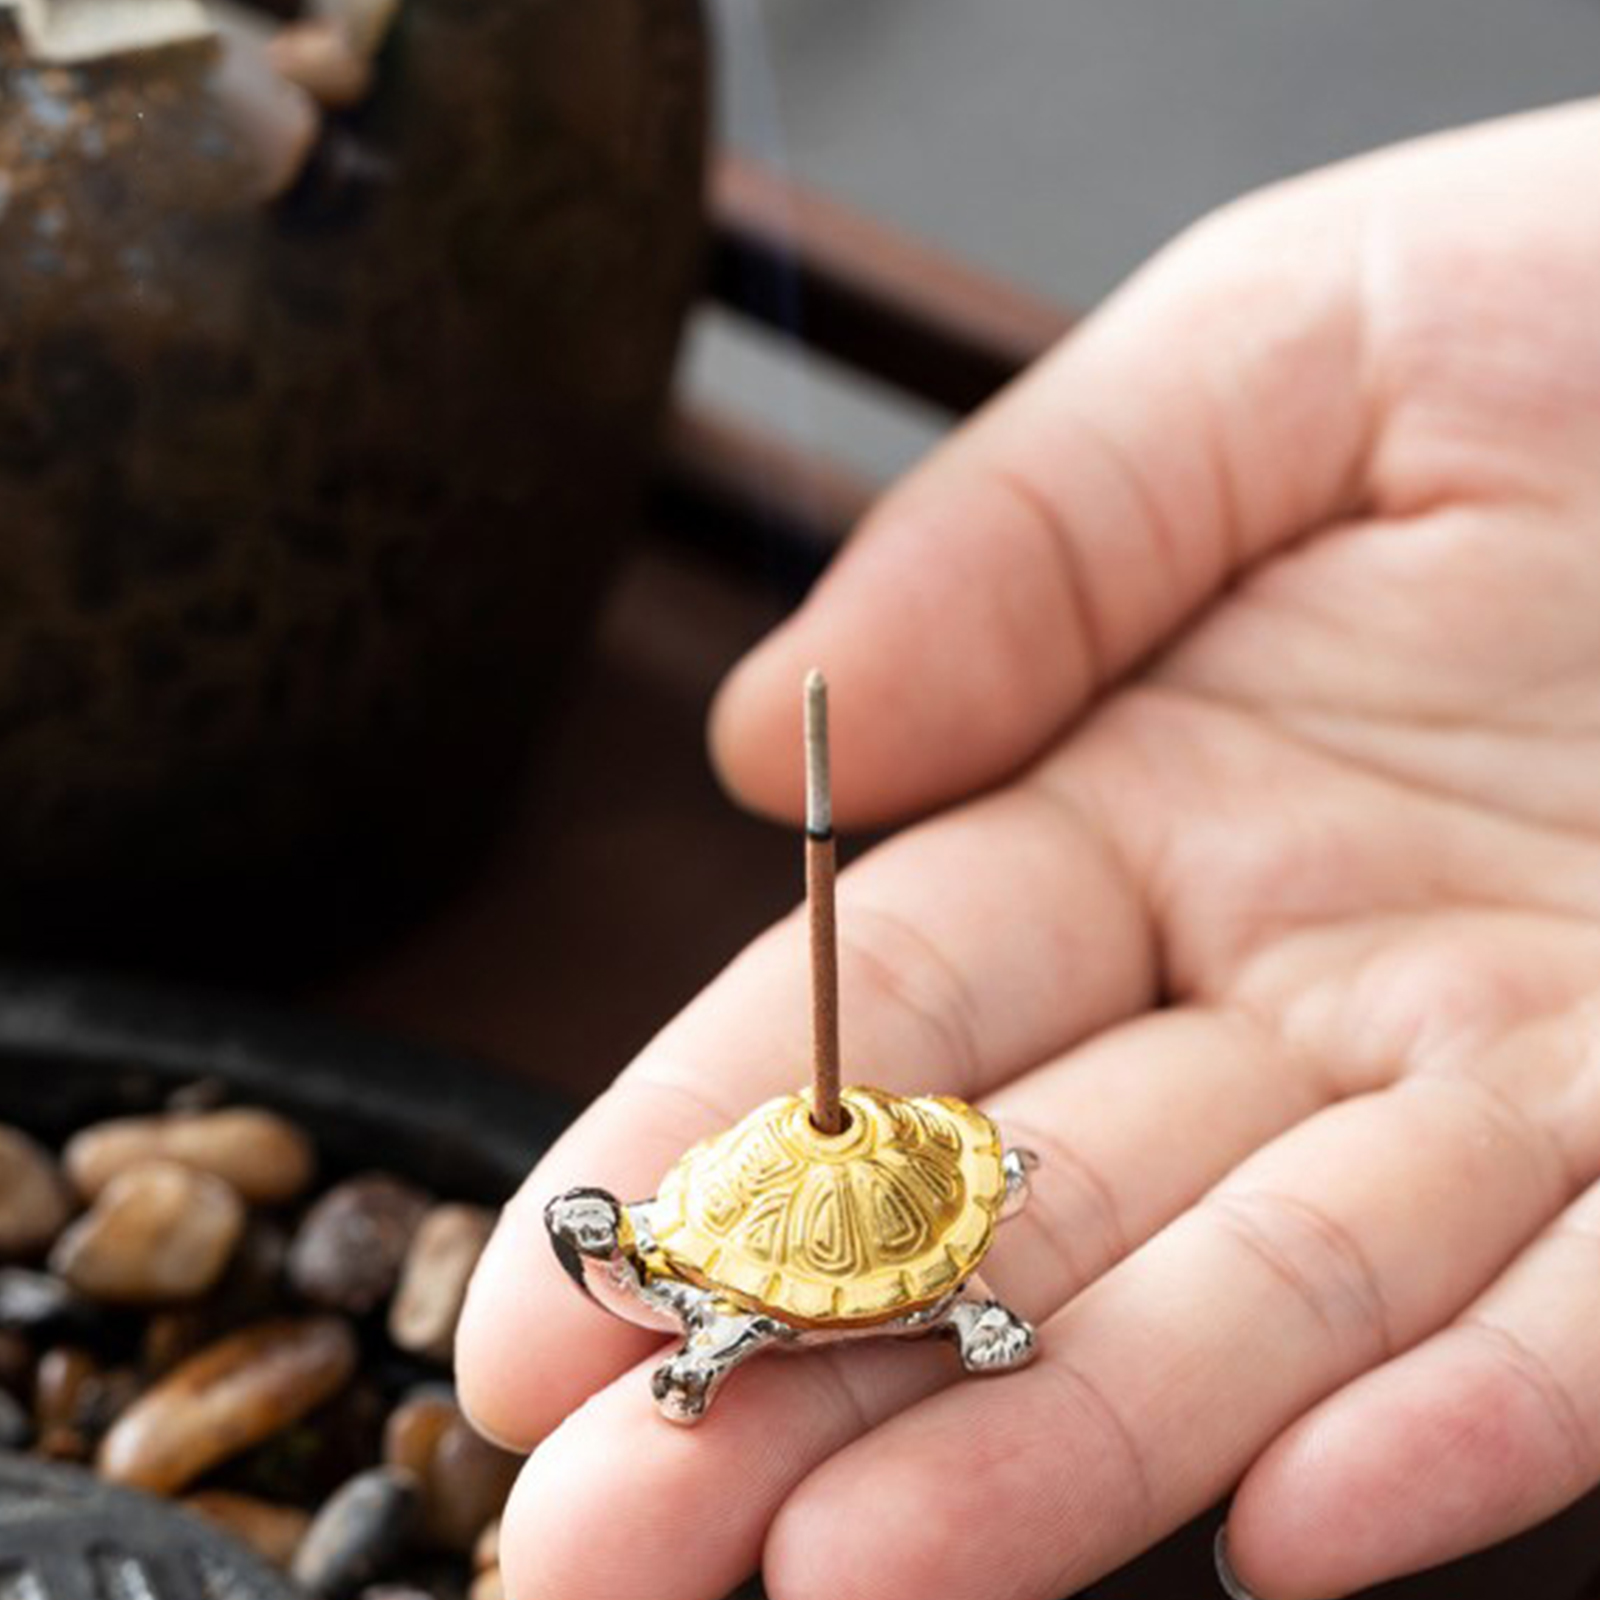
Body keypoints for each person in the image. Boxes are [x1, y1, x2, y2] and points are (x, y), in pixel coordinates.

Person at [455, 98, 1600, 1600]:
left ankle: (972, 1305)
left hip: (878, 1208)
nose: (606, 1249)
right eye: (605, 1243)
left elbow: (724, 1308)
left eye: (603, 1239)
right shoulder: (682, 1243)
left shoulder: (708, 1289)